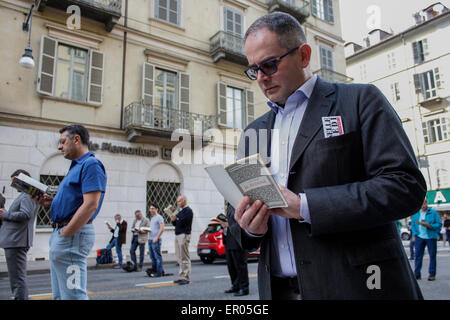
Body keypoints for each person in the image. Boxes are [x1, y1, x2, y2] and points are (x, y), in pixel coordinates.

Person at [228, 12, 427, 300]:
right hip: (278, 291)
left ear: (304, 55)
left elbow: (405, 187)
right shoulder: (253, 131)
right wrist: (250, 228)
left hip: (359, 288)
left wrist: (305, 206)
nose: (261, 78)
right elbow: (237, 222)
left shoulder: (360, 100)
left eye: (269, 65)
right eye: (253, 69)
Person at [33, 124, 107, 300]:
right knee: (61, 295)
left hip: (71, 235)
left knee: (73, 296)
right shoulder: (75, 166)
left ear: (76, 139)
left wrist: (66, 233)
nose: (59, 147)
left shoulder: (91, 164)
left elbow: (90, 205)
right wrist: (51, 202)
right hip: (64, 234)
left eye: (62, 142)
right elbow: (76, 201)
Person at [0, 169, 39, 300]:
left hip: (17, 241)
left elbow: (25, 214)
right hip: (16, 240)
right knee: (17, 278)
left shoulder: (27, 195)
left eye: (15, 181)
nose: (13, 185)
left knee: (17, 279)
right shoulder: (28, 194)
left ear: (23, 180)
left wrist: (5, 214)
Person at [411, 198, 442, 281]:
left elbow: (439, 224)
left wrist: (430, 226)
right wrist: (415, 234)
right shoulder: (416, 213)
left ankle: (432, 274)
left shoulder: (433, 212)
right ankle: (417, 274)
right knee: (418, 256)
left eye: (425, 203)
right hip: (420, 237)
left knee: (432, 255)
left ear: (427, 203)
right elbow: (413, 225)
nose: (423, 205)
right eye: (422, 203)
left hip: (431, 237)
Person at [219, 211, 249, 296]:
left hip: (238, 241)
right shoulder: (228, 206)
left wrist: (229, 224)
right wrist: (224, 226)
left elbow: (244, 221)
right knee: (231, 265)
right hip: (229, 240)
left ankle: (244, 288)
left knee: (240, 265)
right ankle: (235, 285)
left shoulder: (238, 202)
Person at [171, 195, 193, 285]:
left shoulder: (188, 211)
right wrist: (173, 220)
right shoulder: (181, 211)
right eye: (177, 201)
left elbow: (183, 222)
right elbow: (176, 224)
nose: (178, 203)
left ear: (184, 201)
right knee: (179, 256)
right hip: (178, 234)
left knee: (184, 256)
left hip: (184, 235)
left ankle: (186, 277)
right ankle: (181, 275)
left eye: (179, 201)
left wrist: (177, 218)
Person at [147, 204, 165, 277]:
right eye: (150, 208)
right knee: (152, 257)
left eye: (153, 208)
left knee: (157, 256)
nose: (151, 210)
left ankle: (159, 272)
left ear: (157, 209)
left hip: (155, 239)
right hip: (150, 239)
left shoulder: (159, 217)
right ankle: (154, 270)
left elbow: (162, 228)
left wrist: (157, 237)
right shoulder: (152, 218)